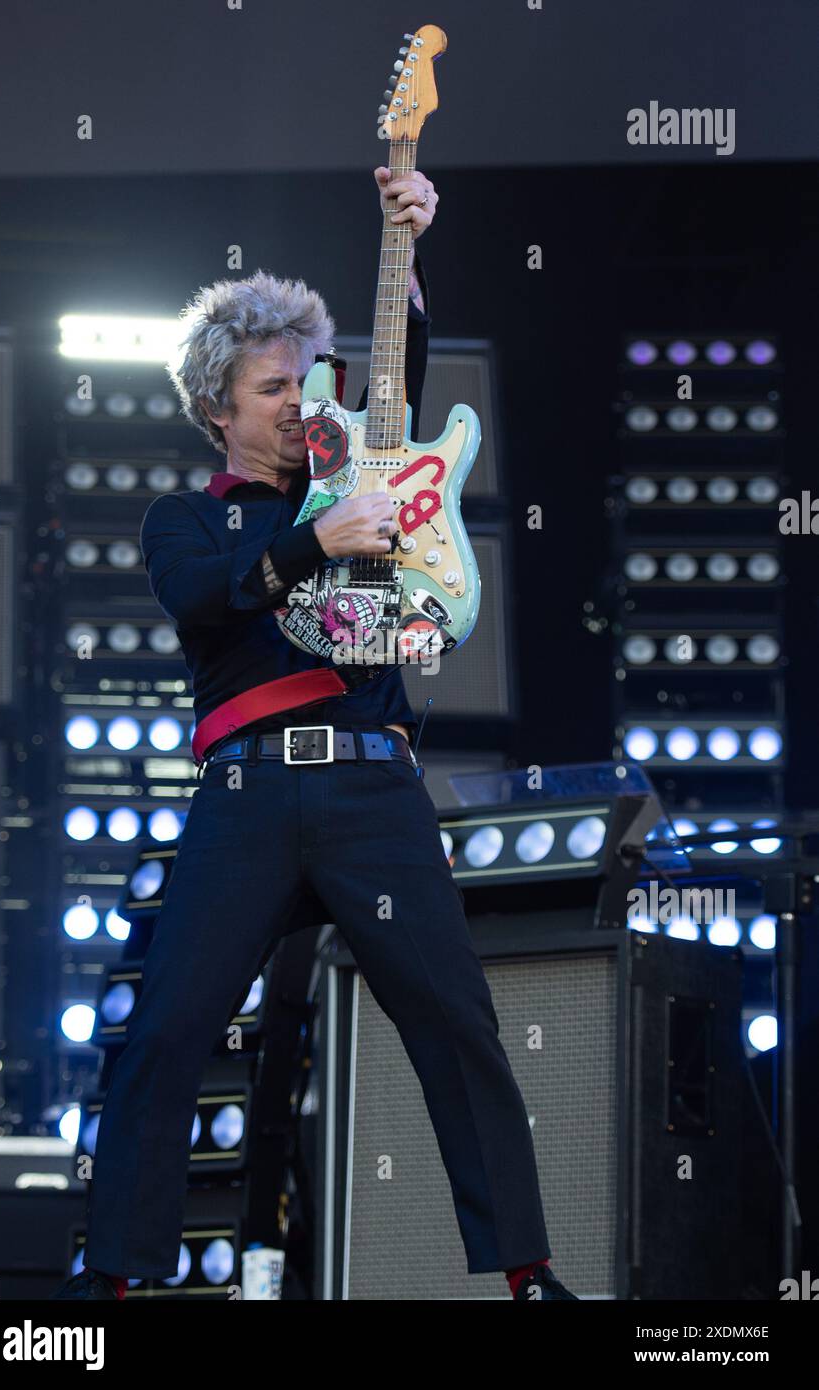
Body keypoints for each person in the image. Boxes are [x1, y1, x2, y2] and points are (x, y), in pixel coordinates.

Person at [52, 167, 576, 1302]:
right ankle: (112, 1284)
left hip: (373, 791)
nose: (300, 400)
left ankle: (528, 1272)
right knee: (164, 1035)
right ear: (218, 409)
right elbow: (204, 596)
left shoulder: (358, 477)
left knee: (456, 1024)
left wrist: (406, 243)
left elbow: (396, 382)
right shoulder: (184, 519)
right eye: (272, 385)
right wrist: (313, 545)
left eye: (306, 379)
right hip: (245, 798)